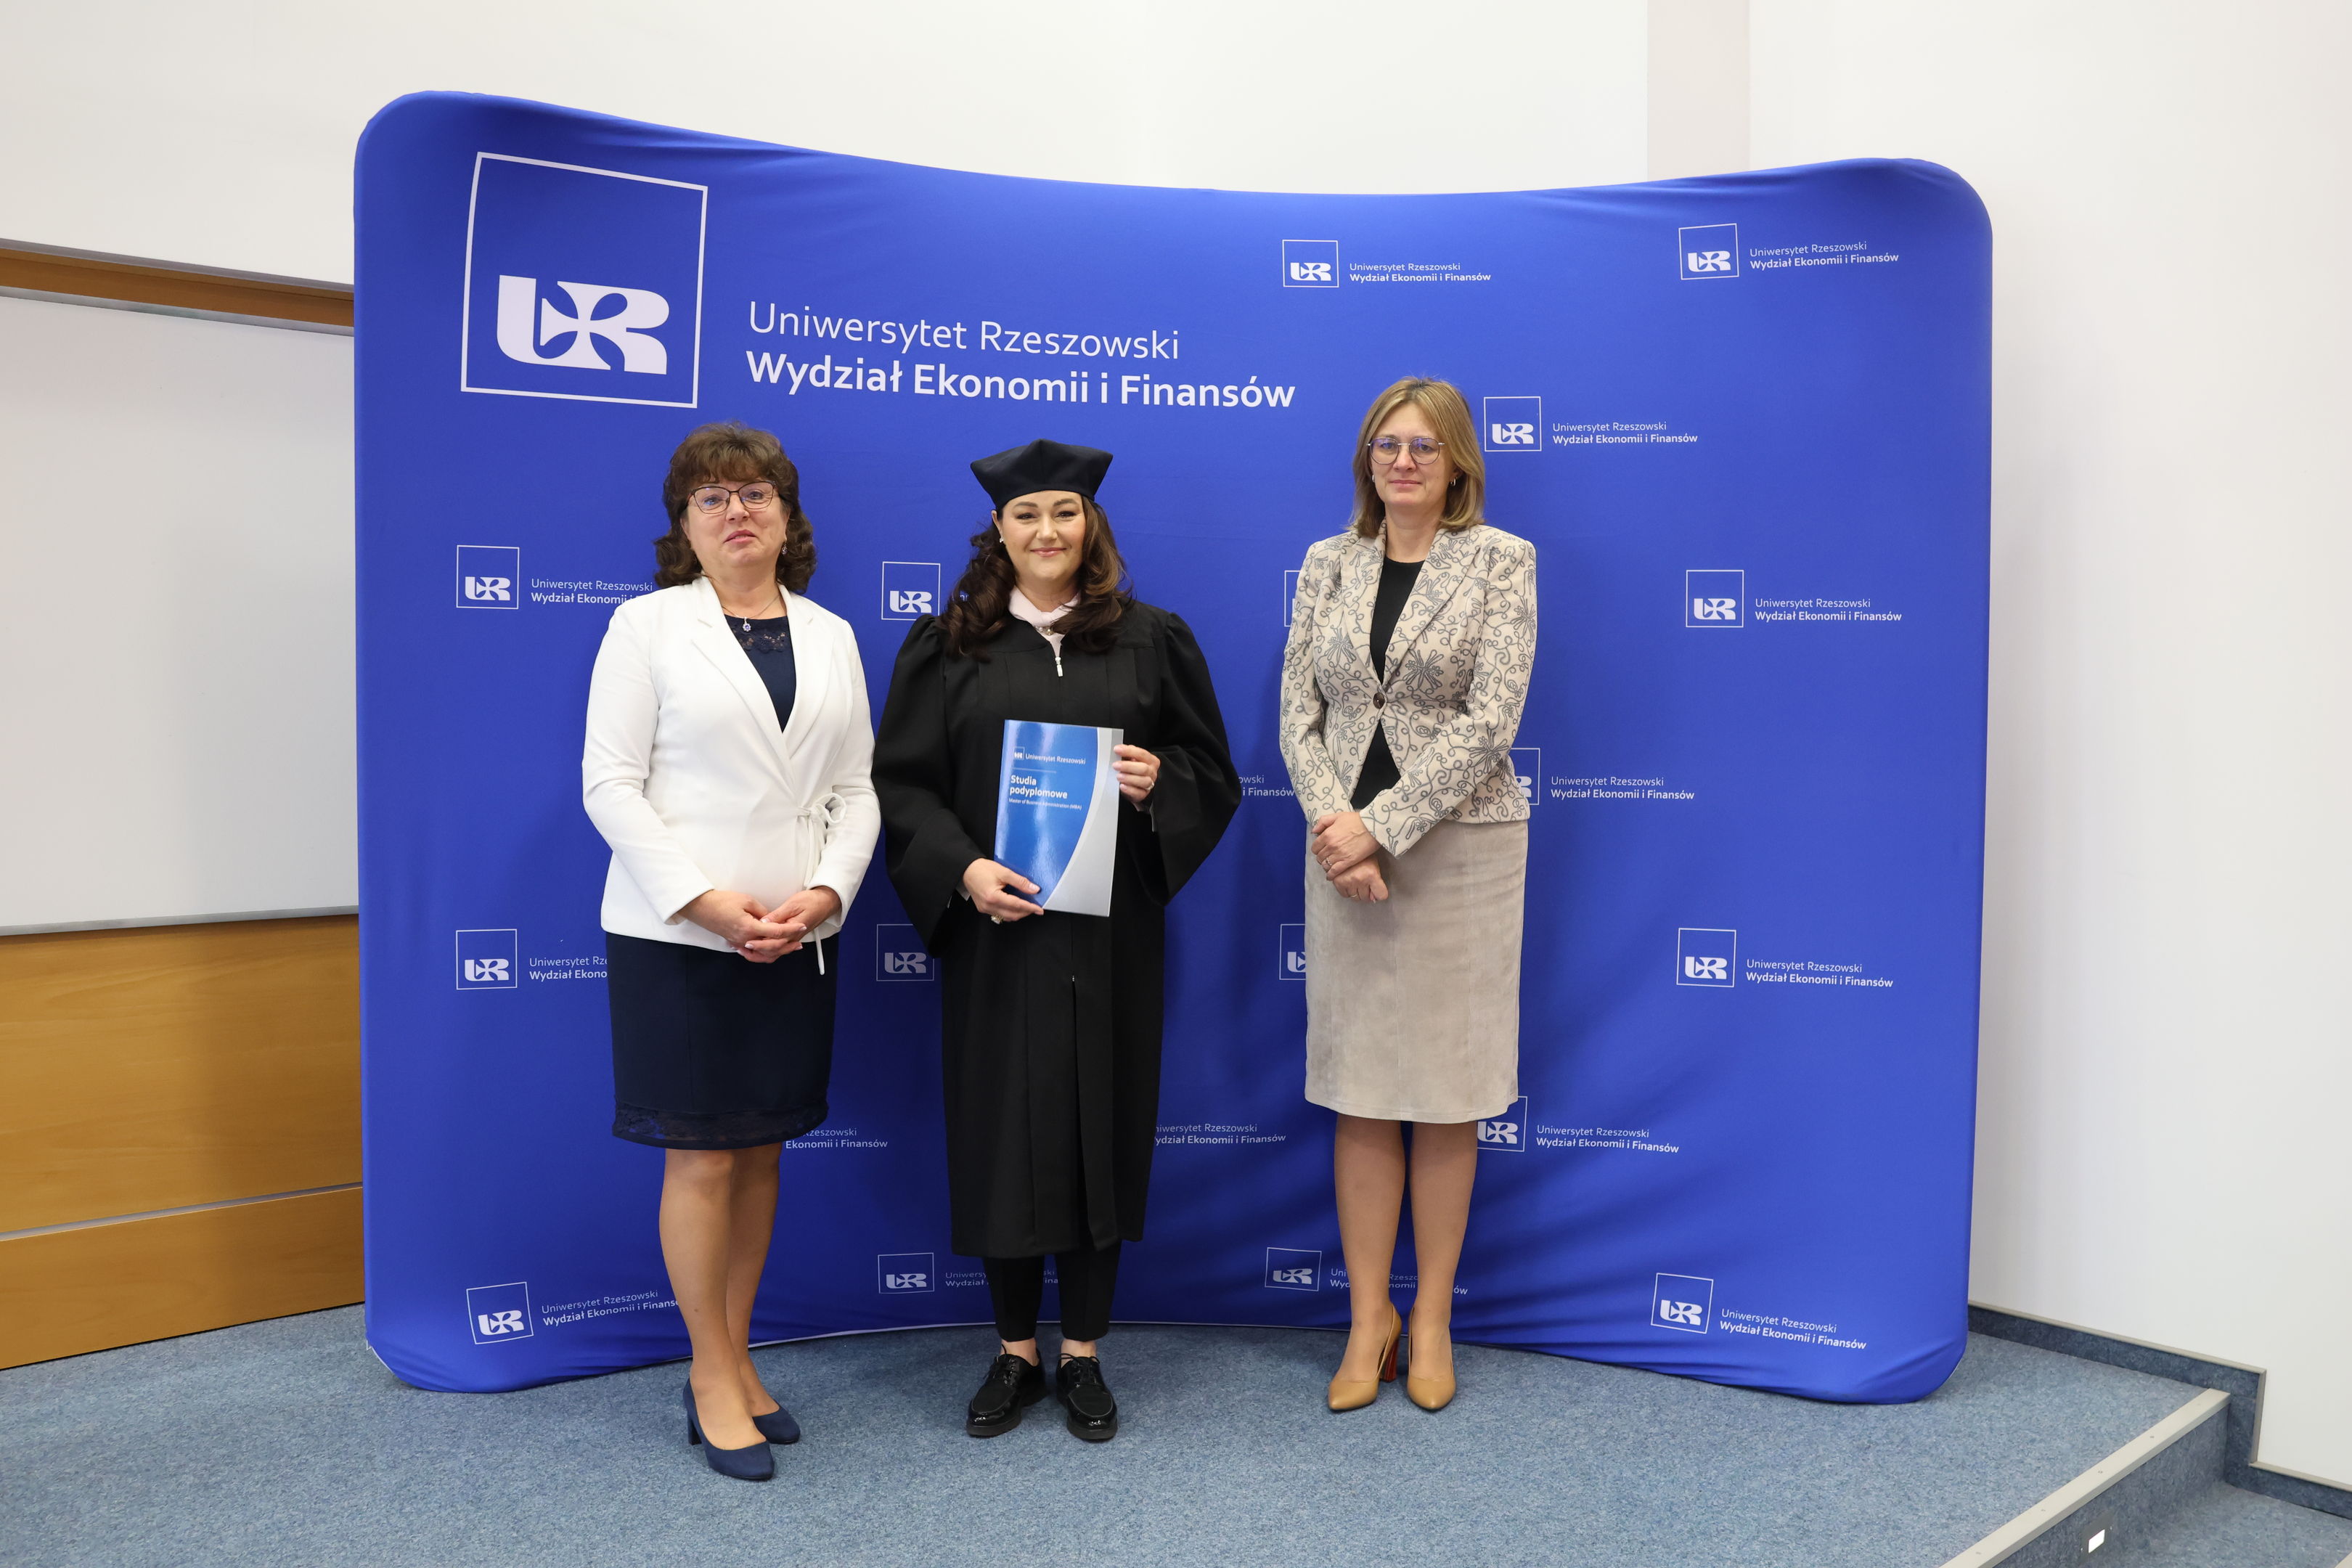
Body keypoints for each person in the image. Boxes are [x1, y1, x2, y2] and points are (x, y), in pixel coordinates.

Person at [873, 438, 1238, 1443]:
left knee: (1099, 1127)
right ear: (998, 530)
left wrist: (1160, 784)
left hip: (1112, 935)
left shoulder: (1152, 640)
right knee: (1002, 1130)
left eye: (1065, 513)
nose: (1047, 531)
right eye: (1027, 515)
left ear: (1092, 525)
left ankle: (1081, 1350)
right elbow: (902, 785)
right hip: (998, 935)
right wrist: (962, 870)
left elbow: (1211, 772)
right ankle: (1014, 1350)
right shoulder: (947, 647)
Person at [581, 422, 880, 1481]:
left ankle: (739, 1356)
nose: (736, 511)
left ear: (788, 517)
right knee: (704, 1156)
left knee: (761, 1152)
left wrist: (826, 893)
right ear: (685, 525)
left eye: (755, 493)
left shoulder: (833, 634)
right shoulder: (646, 626)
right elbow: (610, 784)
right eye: (711, 498)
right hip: (681, 935)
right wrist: (706, 903)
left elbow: (856, 789)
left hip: (794, 935)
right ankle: (710, 1373)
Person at [1278, 377, 1538, 1414]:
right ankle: (1367, 1319)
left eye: (1425, 446)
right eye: (1387, 445)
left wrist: (1379, 826)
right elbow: (1297, 713)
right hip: (1341, 850)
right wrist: (1338, 829)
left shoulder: (1502, 560)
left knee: (1446, 1089)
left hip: (1461, 850)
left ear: (1458, 461)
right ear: (1366, 460)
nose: (1404, 462)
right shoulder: (1327, 562)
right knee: (1362, 1088)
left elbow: (1492, 719)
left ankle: (1430, 1318)